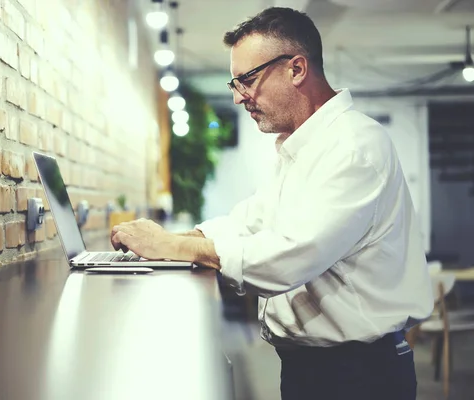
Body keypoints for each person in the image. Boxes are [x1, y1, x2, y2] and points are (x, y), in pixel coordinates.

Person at [111, 7, 433, 400]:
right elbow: (249, 220)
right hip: (318, 368)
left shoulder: (352, 148)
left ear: (296, 69)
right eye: (235, 82)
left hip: (357, 375)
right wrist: (164, 239)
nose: (238, 95)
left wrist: (174, 246)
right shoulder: (303, 147)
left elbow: (288, 257)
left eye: (247, 79)